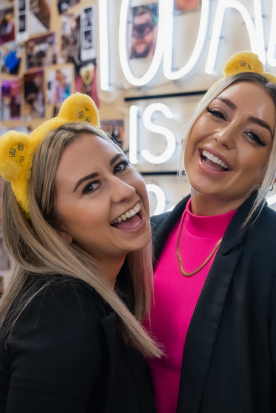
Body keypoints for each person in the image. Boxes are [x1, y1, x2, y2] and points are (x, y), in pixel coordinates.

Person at [145, 52, 276, 413]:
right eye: (217, 113)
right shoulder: (147, 235)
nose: (223, 136)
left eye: (253, 135)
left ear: (274, 174)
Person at [0, 94, 160, 412]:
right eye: (90, 187)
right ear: (55, 229)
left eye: (120, 166)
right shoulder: (59, 313)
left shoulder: (105, 288)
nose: (126, 190)